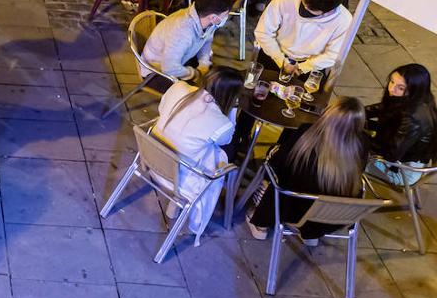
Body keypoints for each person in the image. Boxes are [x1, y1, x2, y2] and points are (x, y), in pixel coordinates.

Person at [247, 96, 369, 241]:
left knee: (271, 173)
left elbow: (278, 165)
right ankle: (311, 237)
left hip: (295, 211)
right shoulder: (363, 144)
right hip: (334, 218)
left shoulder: (306, 133)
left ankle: (261, 225)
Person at [153, 67, 245, 240]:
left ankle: (174, 204)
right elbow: (226, 140)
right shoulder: (221, 122)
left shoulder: (179, 87)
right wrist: (232, 109)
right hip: (178, 179)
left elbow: (161, 108)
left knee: (198, 146)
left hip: (151, 157)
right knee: (223, 155)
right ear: (231, 96)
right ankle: (177, 201)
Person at [254, 0, 353, 74]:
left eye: (311, 12)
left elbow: (334, 54)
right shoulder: (284, 0)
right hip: (274, 53)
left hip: (311, 65)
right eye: (303, 4)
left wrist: (303, 67)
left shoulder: (344, 20)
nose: (304, 10)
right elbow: (263, 32)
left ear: (328, 11)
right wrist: (280, 60)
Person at [366, 64, 437, 185]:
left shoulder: (413, 118)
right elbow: (382, 108)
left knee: (343, 157)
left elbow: (390, 154)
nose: (391, 89)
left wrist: (358, 140)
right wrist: (352, 111)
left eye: (400, 88)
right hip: (397, 156)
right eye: (392, 82)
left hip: (401, 171)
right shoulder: (415, 99)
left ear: (413, 90)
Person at [140, 0, 234, 80]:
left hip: (179, 60)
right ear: (213, 17)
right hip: (156, 71)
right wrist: (195, 74)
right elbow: (169, 68)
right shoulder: (182, 31)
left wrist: (204, 65)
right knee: (198, 92)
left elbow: (207, 41)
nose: (226, 17)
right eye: (225, 14)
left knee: (216, 77)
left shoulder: (207, 20)